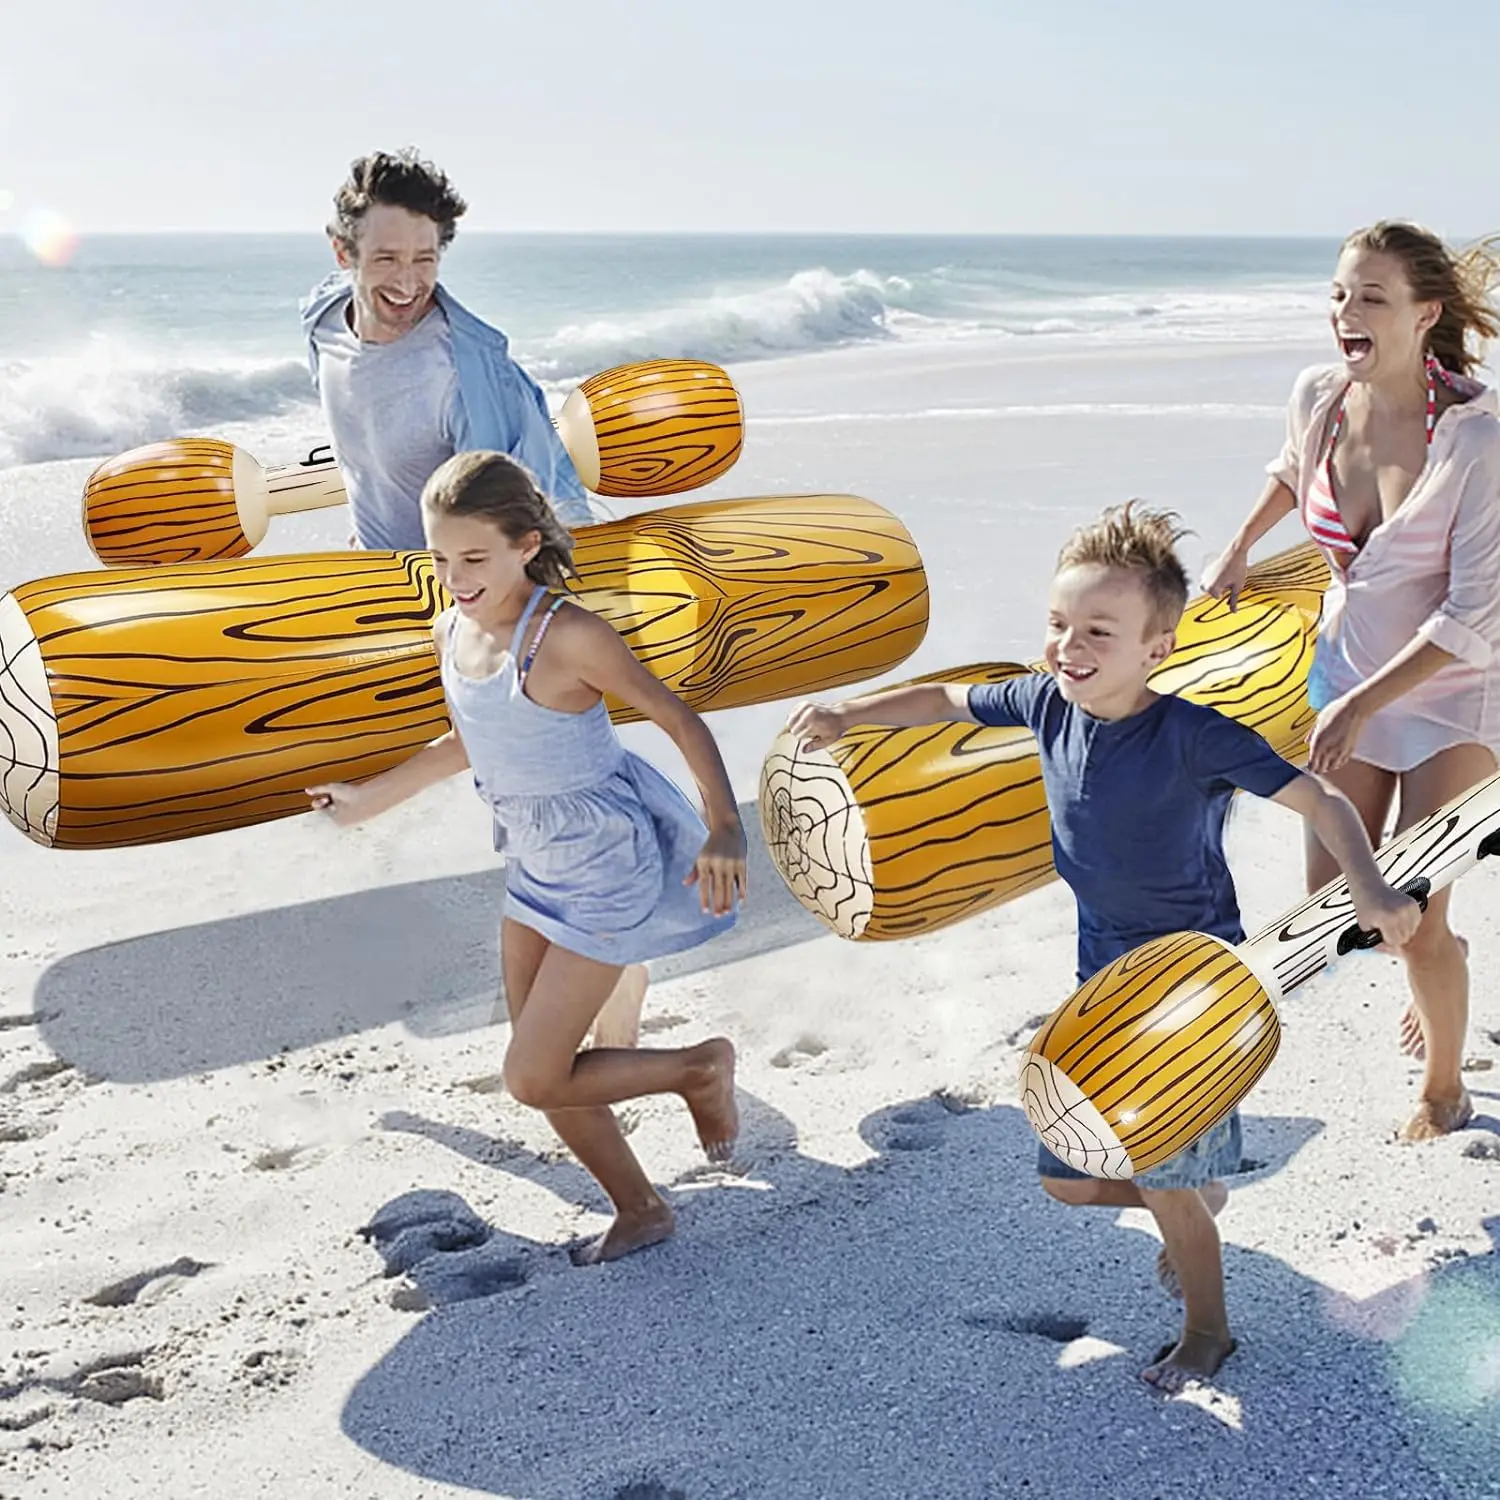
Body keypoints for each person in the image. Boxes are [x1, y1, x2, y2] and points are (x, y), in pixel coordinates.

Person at [787, 502, 1422, 1391]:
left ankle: (1207, 1329)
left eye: (1096, 630)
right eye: (1056, 624)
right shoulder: (1046, 701)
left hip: (1193, 987)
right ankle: (1195, 1196)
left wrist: (1371, 888)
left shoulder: (1195, 736)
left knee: (1161, 1177)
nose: (1067, 645)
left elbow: (1326, 803)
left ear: (1156, 648)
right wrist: (853, 713)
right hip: (1101, 973)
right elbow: (941, 698)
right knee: (1071, 1180)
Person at [308, 450, 748, 1265]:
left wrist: (724, 825)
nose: (455, 576)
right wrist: (369, 799)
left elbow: (678, 717)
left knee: (534, 1076)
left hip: (602, 863)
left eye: (474, 558)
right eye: (439, 558)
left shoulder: (569, 635)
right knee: (552, 1068)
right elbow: (469, 740)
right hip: (533, 863)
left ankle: (697, 1069)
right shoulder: (455, 627)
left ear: (527, 543)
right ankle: (641, 1208)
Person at [300, 149, 648, 1046]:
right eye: (385, 259)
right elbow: (360, 437)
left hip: (505, 567)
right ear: (342, 255)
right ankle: (604, 976)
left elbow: (504, 539)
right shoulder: (319, 321)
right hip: (401, 573)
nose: (408, 281)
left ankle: (616, 1001)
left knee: (535, 795)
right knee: (525, 810)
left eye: (425, 259)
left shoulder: (464, 371)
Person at [1202, 220, 1500, 1142]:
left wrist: (1362, 702)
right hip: (1347, 674)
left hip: (1456, 693)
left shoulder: (1479, 438)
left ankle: (1442, 1085)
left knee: (1413, 909)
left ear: (1425, 315)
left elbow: (1473, 616)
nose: (1345, 313)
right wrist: (1243, 542)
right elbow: (1293, 473)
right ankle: (1436, 962)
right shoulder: (1320, 397)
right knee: (1341, 910)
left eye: (1371, 296)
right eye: (1339, 294)